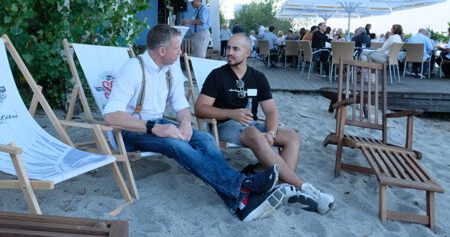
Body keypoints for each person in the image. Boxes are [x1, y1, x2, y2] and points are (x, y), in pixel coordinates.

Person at [102, 24, 287, 222]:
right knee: (173, 143)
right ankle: (242, 185)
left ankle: (239, 203)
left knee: (205, 139)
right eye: (177, 48)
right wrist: (154, 128)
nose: (181, 52)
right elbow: (110, 116)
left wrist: (185, 124)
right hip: (130, 131)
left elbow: (181, 106)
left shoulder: (170, 68)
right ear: (162, 51)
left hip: (158, 124)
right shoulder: (133, 69)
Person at [195, 33, 335, 215]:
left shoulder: (258, 77)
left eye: (235, 49)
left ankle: (283, 186)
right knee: (254, 133)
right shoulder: (218, 76)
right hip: (224, 126)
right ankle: (303, 186)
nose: (229, 52)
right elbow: (200, 108)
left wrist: (271, 133)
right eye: (228, 48)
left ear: (248, 52)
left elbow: (271, 111)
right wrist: (231, 113)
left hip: (252, 126)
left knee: (292, 137)